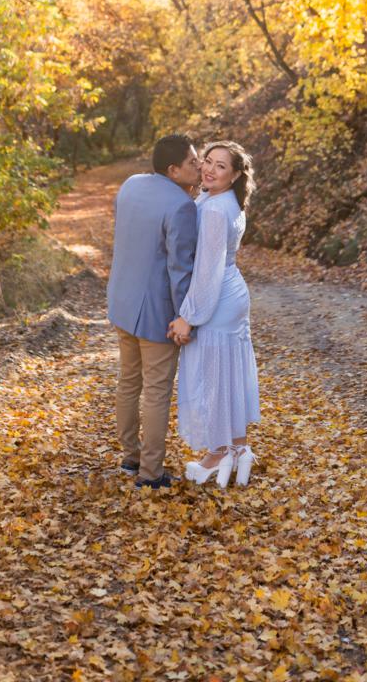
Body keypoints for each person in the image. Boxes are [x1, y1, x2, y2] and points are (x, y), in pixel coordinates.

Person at [107, 134, 200, 489]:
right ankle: (150, 473)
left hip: (122, 302)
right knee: (157, 392)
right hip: (156, 313)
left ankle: (131, 457)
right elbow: (180, 270)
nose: (200, 166)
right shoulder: (182, 206)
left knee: (129, 381)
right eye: (193, 162)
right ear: (174, 170)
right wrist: (185, 317)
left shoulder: (131, 184)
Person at [168, 140, 260, 487]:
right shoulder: (225, 201)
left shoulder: (215, 209)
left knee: (215, 378)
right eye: (207, 161)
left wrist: (188, 316)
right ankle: (239, 448)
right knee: (228, 374)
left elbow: (207, 271)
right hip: (232, 291)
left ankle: (219, 453)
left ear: (234, 175)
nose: (209, 169)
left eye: (220, 166)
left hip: (219, 297)